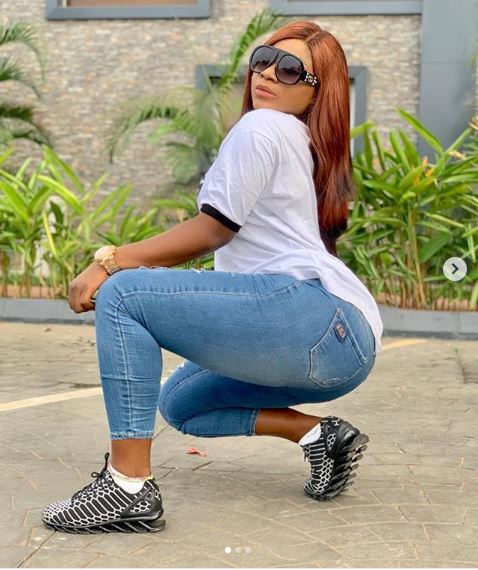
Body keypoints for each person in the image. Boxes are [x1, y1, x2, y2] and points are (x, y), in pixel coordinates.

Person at [41, 19, 383, 535]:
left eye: (291, 70)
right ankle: (320, 437)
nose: (268, 73)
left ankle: (126, 488)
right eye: (263, 59)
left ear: (318, 92)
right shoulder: (299, 138)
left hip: (310, 317)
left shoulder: (262, 126)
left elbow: (213, 230)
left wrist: (110, 260)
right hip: (341, 349)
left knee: (124, 294)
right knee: (182, 404)